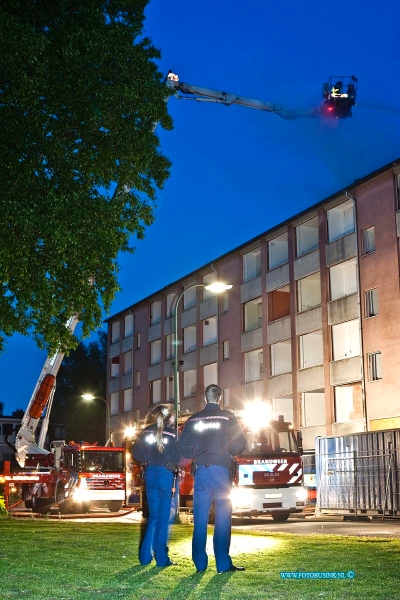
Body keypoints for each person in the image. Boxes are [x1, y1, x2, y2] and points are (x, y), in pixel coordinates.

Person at [177, 384, 247, 574]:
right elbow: (240, 444)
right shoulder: (228, 417)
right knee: (223, 518)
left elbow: (182, 447)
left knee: (200, 517)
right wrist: (227, 451)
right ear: (220, 397)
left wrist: (197, 453)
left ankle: (200, 564)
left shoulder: (194, 419)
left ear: (205, 398)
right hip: (222, 472)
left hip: (201, 472)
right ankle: (223, 565)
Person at [131, 404, 179, 567]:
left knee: (153, 517)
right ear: (170, 417)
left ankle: (145, 557)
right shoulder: (172, 433)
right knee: (164, 518)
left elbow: (136, 453)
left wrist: (148, 459)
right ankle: (161, 558)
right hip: (166, 475)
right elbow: (179, 455)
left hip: (151, 474)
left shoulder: (146, 431)